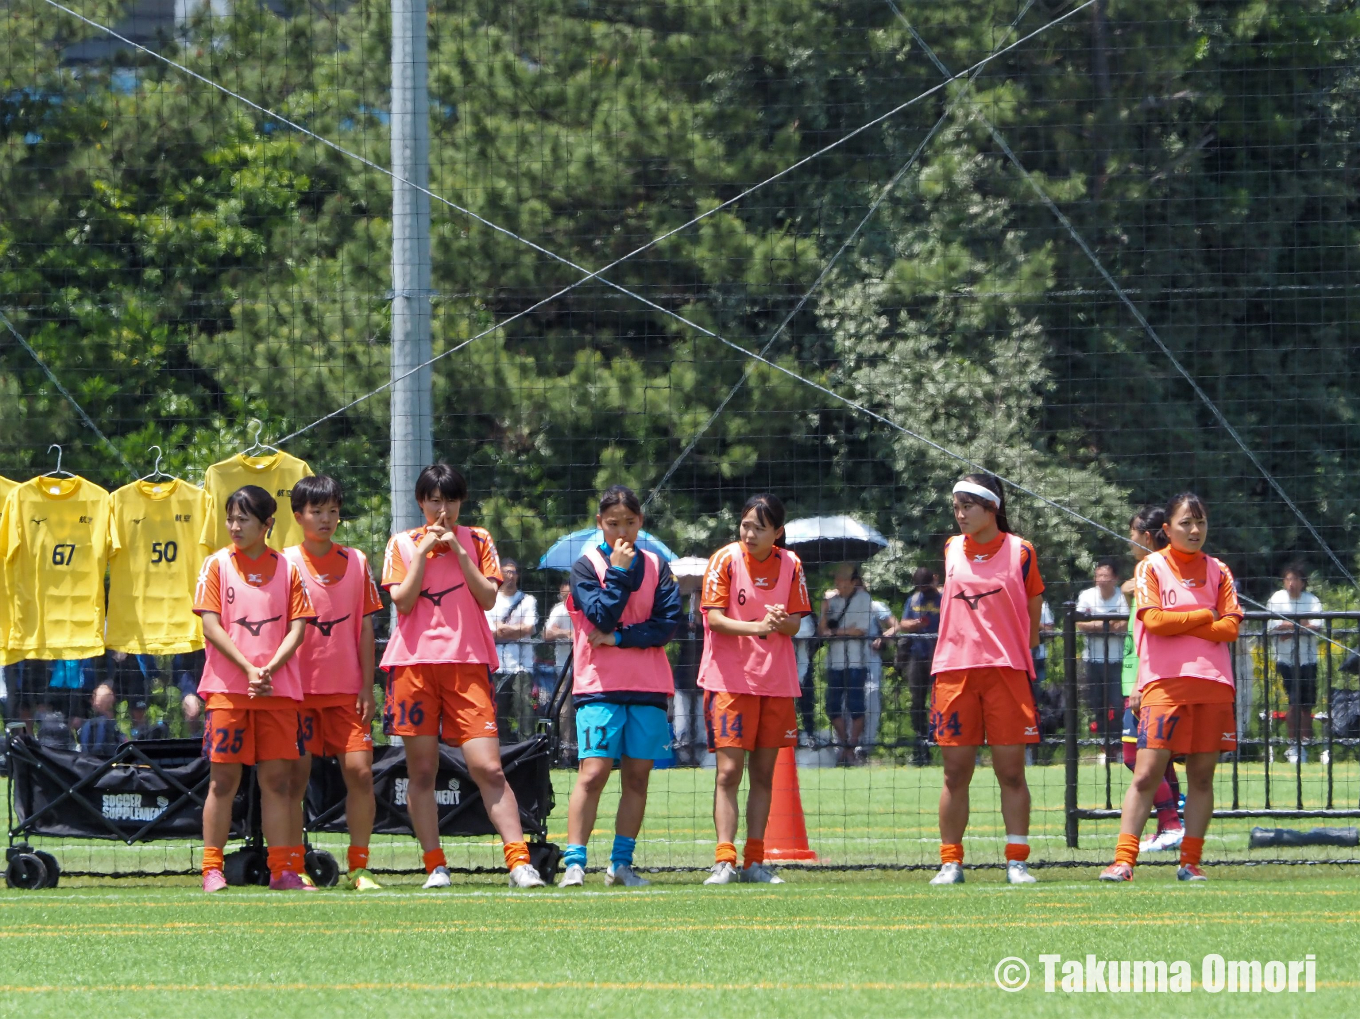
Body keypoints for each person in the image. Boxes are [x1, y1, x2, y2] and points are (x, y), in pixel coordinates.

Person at [380, 464, 545, 889]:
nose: (443, 509)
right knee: (422, 772)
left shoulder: (479, 539)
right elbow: (403, 602)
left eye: (450, 500)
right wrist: (423, 553)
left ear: (460, 502)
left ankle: (519, 863)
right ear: (421, 502)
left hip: (467, 665)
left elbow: (488, 598)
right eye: (434, 500)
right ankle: (435, 865)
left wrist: (457, 548)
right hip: (413, 668)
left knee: (488, 767)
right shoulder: (401, 544)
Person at [1100, 492, 1242, 883]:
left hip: (1213, 685)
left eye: (1201, 522)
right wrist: (1204, 615)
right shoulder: (1151, 566)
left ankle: (1190, 863)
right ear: (1167, 528)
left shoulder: (1219, 570)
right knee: (1146, 774)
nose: (1195, 530)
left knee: (1201, 778)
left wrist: (1183, 621)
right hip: (1163, 686)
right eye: (1186, 523)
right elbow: (1154, 621)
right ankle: (1124, 862)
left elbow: (1231, 627)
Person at [558, 486, 681, 888]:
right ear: (600, 523)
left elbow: (667, 626)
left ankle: (621, 864)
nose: (622, 531)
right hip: (599, 687)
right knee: (593, 772)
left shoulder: (658, 566)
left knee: (637, 777)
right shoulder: (585, 567)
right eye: (613, 523)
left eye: (630, 522)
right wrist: (619, 572)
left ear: (640, 521)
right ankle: (575, 863)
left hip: (648, 687)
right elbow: (601, 616)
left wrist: (621, 638)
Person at [194, 485, 315, 893]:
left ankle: (282, 871)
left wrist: (269, 669)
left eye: (243, 519)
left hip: (277, 692)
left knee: (278, 782)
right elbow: (210, 624)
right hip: (228, 690)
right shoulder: (215, 565)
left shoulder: (289, 569)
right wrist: (248, 668)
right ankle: (212, 869)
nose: (234, 526)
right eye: (230, 518)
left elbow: (298, 628)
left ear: (267, 524)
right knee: (222, 781)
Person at [928, 474, 1044, 887]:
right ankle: (950, 863)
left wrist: (1013, 648)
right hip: (954, 672)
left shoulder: (1021, 551)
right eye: (956, 507)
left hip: (1006, 673)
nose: (959, 514)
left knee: (1011, 772)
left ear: (992, 508)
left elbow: (1032, 617)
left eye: (967, 506)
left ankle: (1016, 862)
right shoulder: (951, 548)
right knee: (955, 773)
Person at [698, 493, 811, 884]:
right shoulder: (725, 560)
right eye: (745, 525)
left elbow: (795, 623)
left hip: (775, 682)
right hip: (729, 681)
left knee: (763, 775)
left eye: (759, 528)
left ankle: (754, 861)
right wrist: (758, 626)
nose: (749, 534)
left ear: (777, 533)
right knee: (728, 772)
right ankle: (724, 860)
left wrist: (780, 621)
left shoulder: (792, 564)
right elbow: (714, 619)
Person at [283, 475, 384, 891]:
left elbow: (365, 628)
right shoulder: (285, 563)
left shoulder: (357, 562)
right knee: (294, 781)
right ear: (298, 516)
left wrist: (367, 686)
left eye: (333, 511)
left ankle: (359, 868)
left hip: (346, 693)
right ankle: (293, 866)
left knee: (360, 774)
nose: (326, 519)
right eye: (317, 511)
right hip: (297, 693)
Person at [1118, 506, 1183, 853]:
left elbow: (1153, 636)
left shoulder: (1155, 573)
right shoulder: (1146, 573)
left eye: (1131, 534)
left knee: (1134, 757)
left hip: (1145, 683)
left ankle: (1172, 822)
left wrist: (1139, 684)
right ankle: (1169, 827)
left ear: (1145, 536)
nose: (1128, 541)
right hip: (1139, 679)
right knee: (1159, 759)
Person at [1267, 563, 1323, 764]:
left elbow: (1317, 626)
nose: (1291, 583)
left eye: (1295, 579)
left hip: (1309, 659)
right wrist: (1301, 624)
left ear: (1303, 582)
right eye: (1288, 579)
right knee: (1294, 701)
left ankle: (1305, 745)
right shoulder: (1276, 599)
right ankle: (1293, 746)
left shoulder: (1312, 600)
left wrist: (1289, 627)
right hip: (1285, 660)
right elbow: (1273, 627)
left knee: (1307, 703)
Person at [819, 565, 871, 766]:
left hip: (856, 661)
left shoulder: (863, 599)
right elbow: (822, 631)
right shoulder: (831, 600)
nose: (837, 583)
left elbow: (860, 630)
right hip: (834, 662)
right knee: (832, 706)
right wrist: (824, 609)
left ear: (853, 581)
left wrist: (836, 633)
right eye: (836, 579)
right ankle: (844, 744)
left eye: (842, 579)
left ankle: (851, 747)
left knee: (856, 706)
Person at [1076, 558, 1130, 744]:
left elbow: (1124, 624)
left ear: (1115, 578)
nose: (1101, 580)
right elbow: (1080, 623)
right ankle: (1103, 743)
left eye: (1105, 576)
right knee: (1096, 704)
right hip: (1092, 660)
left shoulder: (1122, 596)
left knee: (1118, 704)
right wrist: (1107, 624)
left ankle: (1118, 742)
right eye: (1098, 575)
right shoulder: (1086, 595)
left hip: (1117, 660)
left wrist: (1095, 624)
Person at [486, 558, 538, 739]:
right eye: (506, 572)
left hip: (522, 666)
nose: (509, 576)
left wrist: (502, 629)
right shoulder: (490, 600)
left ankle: (527, 746)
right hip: (496, 666)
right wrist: (517, 630)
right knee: (497, 713)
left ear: (518, 575)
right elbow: (488, 633)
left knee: (525, 711)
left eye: (513, 572)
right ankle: (502, 747)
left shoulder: (528, 600)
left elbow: (529, 628)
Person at [896, 567, 941, 766]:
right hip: (917, 655)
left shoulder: (945, 598)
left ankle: (942, 740)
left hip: (940, 656)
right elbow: (903, 624)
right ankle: (921, 745)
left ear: (935, 579)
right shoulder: (914, 599)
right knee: (917, 702)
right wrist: (917, 623)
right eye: (920, 587)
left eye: (926, 586)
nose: (924, 590)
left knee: (940, 700)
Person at [671, 578, 706, 766]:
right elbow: (673, 637)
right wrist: (687, 627)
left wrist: (700, 626)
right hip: (683, 680)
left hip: (704, 681)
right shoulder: (683, 622)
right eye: (695, 597)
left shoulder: (712, 624)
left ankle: (701, 759)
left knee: (702, 728)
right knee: (682, 726)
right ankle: (683, 760)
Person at [863, 587, 896, 756]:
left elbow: (895, 625)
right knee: (846, 702)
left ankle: (867, 745)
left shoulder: (876, 606)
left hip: (871, 659)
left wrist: (882, 638)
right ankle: (846, 746)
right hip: (847, 659)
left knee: (872, 695)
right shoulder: (841, 605)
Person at [77, 683, 125, 755]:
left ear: (97, 703)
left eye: (93, 698)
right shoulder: (112, 723)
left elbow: (84, 747)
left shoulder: (89, 724)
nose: (90, 701)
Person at [543, 581, 574, 670]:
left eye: (569, 596)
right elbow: (546, 634)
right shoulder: (559, 610)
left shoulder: (586, 609)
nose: (566, 601)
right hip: (564, 665)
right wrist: (566, 633)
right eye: (563, 597)